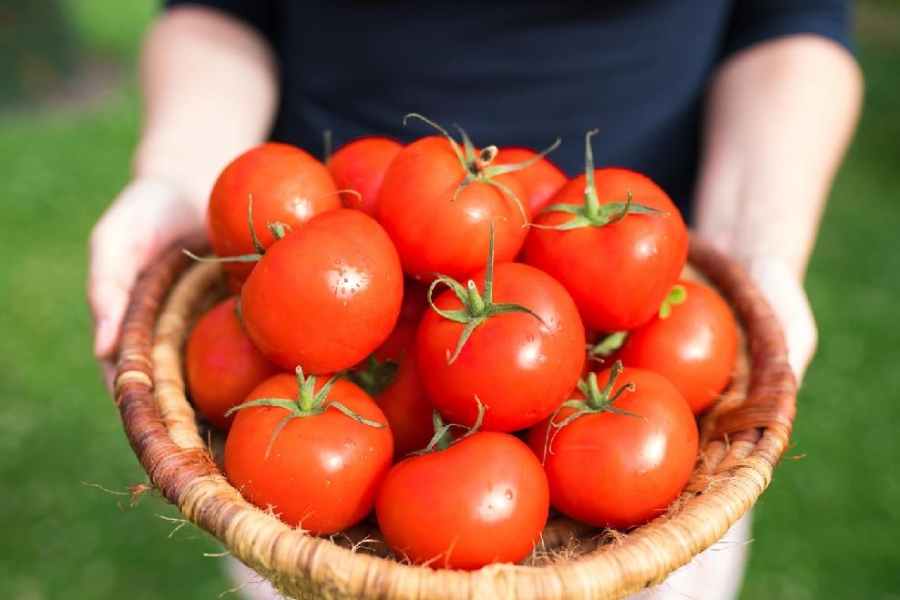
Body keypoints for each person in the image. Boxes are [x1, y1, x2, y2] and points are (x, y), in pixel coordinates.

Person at [87, 2, 863, 599]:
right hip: (341, 207)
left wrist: (760, 248)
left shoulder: (622, 343)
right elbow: (222, 8)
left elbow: (792, 17)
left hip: (650, 262)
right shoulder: (321, 337)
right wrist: (178, 179)